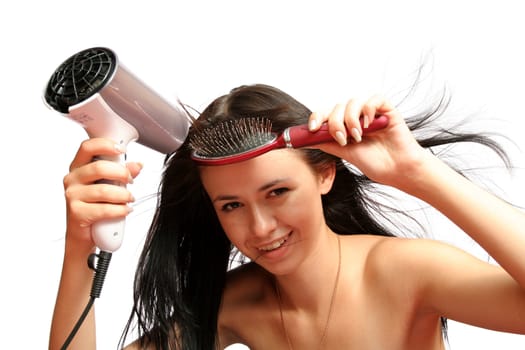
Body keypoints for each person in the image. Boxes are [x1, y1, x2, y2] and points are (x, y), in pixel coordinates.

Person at [49, 83, 525, 350]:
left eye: (277, 192)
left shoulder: (406, 273)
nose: (260, 229)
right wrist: (79, 248)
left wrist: (416, 171)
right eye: (231, 205)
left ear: (324, 174)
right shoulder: (236, 304)